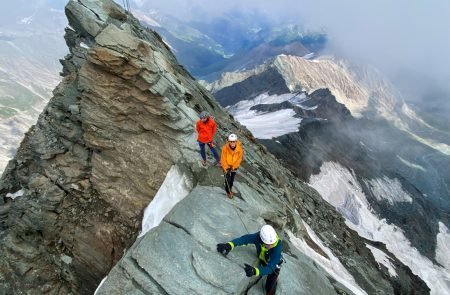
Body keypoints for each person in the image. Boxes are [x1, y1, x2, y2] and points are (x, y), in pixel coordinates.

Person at [217, 225, 283, 295]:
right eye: (269, 244)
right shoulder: (258, 237)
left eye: (272, 244)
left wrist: (255, 271)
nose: (271, 246)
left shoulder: (277, 248)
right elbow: (245, 239)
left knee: (269, 286)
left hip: (274, 265)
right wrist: (230, 245)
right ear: (262, 240)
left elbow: (270, 268)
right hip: (263, 259)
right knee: (264, 269)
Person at [220, 133, 243, 198]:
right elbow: (223, 159)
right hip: (226, 166)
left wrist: (233, 167)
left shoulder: (239, 149)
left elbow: (239, 159)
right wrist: (227, 168)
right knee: (228, 180)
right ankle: (228, 192)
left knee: (232, 180)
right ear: (229, 141)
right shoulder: (225, 148)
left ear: (236, 141)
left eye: (234, 141)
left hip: (234, 167)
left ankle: (230, 189)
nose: (232, 143)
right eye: (231, 141)